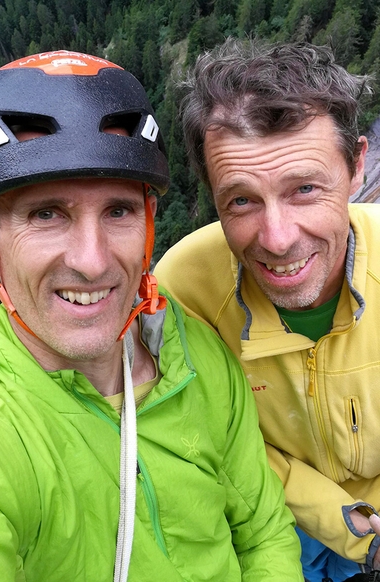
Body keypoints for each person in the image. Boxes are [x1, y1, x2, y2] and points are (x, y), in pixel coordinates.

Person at [0, 50, 303, 582]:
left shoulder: (192, 350)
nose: (92, 262)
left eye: (118, 211)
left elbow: (262, 532)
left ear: (148, 221)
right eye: (46, 213)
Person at [155, 39, 380, 582]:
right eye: (241, 200)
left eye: (304, 188)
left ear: (357, 167)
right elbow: (203, 435)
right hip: (267, 519)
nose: (277, 240)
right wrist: (338, 521)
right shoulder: (185, 290)